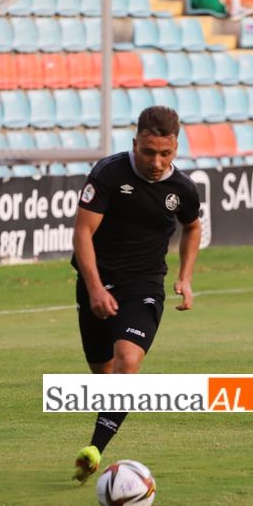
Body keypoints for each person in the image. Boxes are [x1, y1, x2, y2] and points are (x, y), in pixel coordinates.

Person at [71, 106, 202, 482]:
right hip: (97, 283)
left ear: (176, 148)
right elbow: (82, 232)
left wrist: (185, 277)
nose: (157, 162)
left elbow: (192, 228)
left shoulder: (183, 188)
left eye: (165, 153)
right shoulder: (109, 173)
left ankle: (93, 451)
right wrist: (95, 288)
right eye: (148, 152)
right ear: (134, 144)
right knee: (104, 378)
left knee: (127, 361)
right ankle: (100, 441)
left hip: (144, 286)